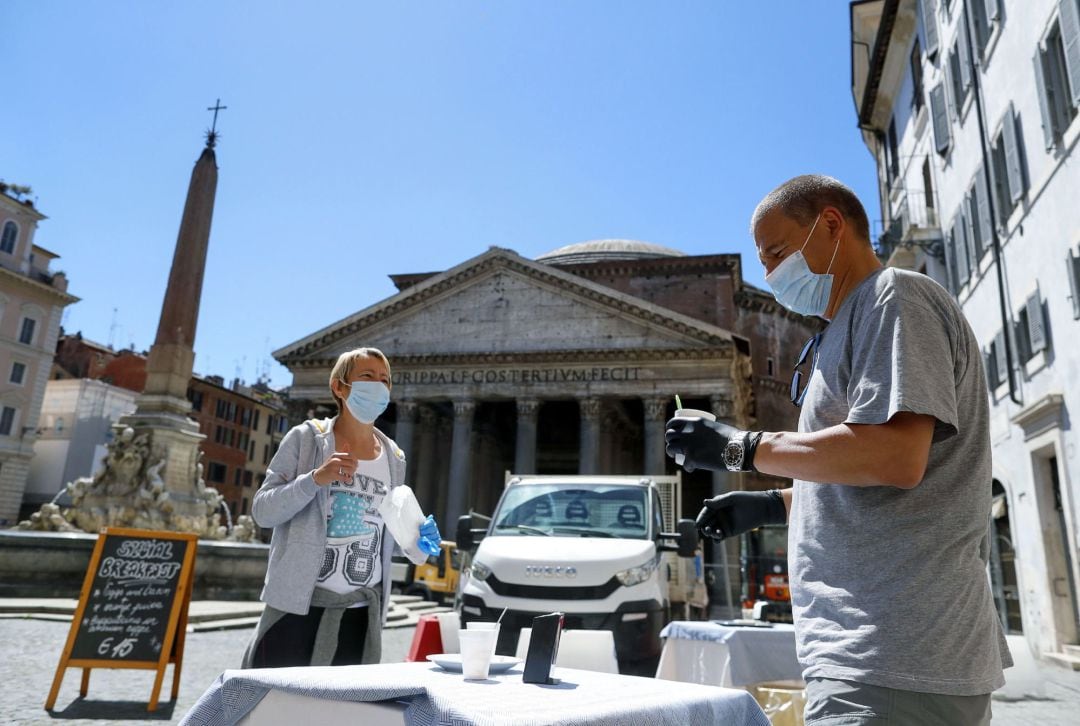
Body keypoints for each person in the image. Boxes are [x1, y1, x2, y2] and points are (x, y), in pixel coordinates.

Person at [665, 175, 1010, 725]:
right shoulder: (850, 325)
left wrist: (742, 448)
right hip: (874, 655)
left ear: (830, 225)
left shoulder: (893, 297)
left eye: (776, 252)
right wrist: (774, 506)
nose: (771, 274)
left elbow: (895, 457)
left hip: (893, 655)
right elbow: (863, 473)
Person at [243, 347, 441, 668]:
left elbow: (383, 535)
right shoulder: (306, 439)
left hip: (360, 614)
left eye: (385, 380)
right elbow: (263, 512)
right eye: (367, 377)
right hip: (298, 608)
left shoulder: (394, 457)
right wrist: (316, 478)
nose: (379, 385)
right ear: (339, 387)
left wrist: (417, 540)